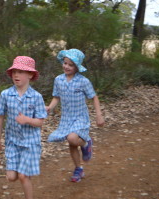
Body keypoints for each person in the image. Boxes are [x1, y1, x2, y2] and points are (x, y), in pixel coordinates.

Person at [46, 49, 105, 183]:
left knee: (72, 138)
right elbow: (56, 97)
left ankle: (85, 142)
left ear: (77, 67)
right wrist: (50, 107)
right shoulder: (58, 80)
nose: (66, 66)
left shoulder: (83, 81)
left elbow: (94, 97)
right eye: (65, 63)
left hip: (80, 117)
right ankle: (78, 169)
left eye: (70, 65)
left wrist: (99, 115)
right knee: (71, 144)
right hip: (66, 118)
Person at [0, 56, 47, 199]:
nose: (16, 75)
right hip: (12, 141)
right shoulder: (5, 94)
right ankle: (21, 170)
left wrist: (27, 120)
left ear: (30, 75)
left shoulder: (36, 97)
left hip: (30, 143)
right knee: (11, 177)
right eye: (14, 72)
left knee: (23, 176)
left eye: (21, 72)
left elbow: (40, 122)